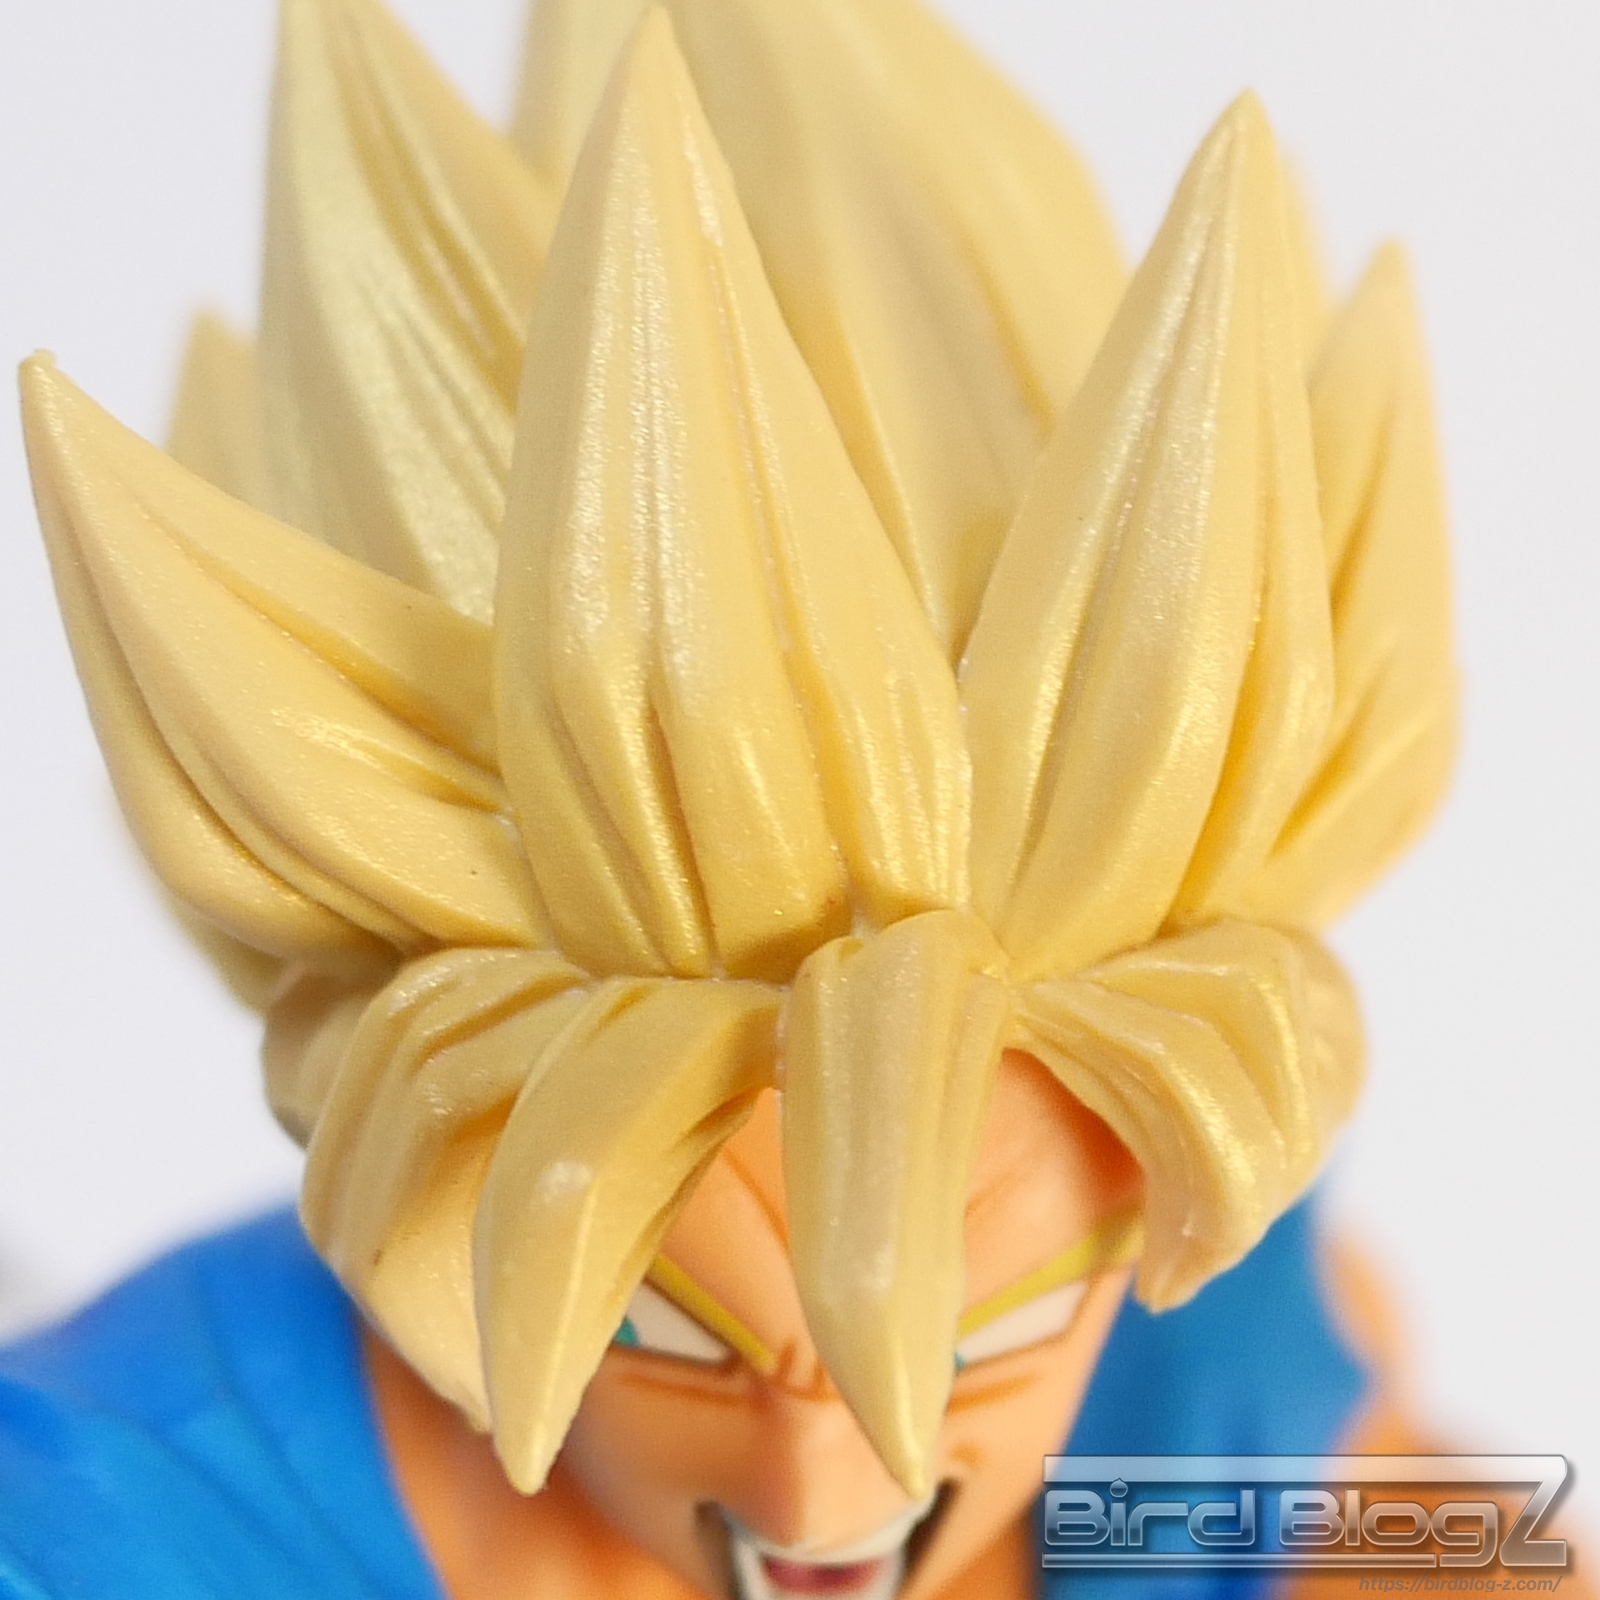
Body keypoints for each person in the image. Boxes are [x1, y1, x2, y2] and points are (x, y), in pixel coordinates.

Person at [0, 0, 1460, 1595]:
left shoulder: (1189, 1335)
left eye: (998, 1330)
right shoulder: (116, 1531)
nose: (824, 1500)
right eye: (669, 1335)